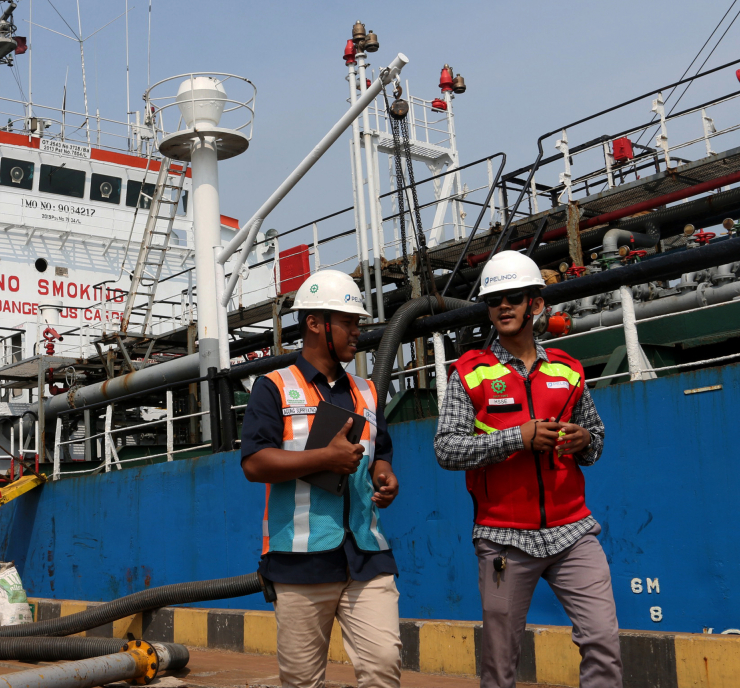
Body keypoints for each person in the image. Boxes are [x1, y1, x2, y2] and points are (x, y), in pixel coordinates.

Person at [434, 250, 621, 688]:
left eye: (513, 297)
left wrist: (583, 441)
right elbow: (446, 449)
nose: (502, 307)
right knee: (500, 666)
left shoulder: (569, 370)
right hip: (503, 537)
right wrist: (517, 437)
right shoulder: (468, 375)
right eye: (494, 299)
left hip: (572, 532)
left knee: (604, 640)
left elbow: (596, 439)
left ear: (535, 304)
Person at [240, 270, 402, 688]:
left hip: (367, 554)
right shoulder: (273, 387)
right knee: (302, 680)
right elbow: (254, 463)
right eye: (348, 322)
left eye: (357, 323)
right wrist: (324, 459)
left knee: (384, 666)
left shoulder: (366, 392)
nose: (357, 332)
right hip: (301, 561)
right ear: (315, 323)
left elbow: (379, 450)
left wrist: (384, 475)